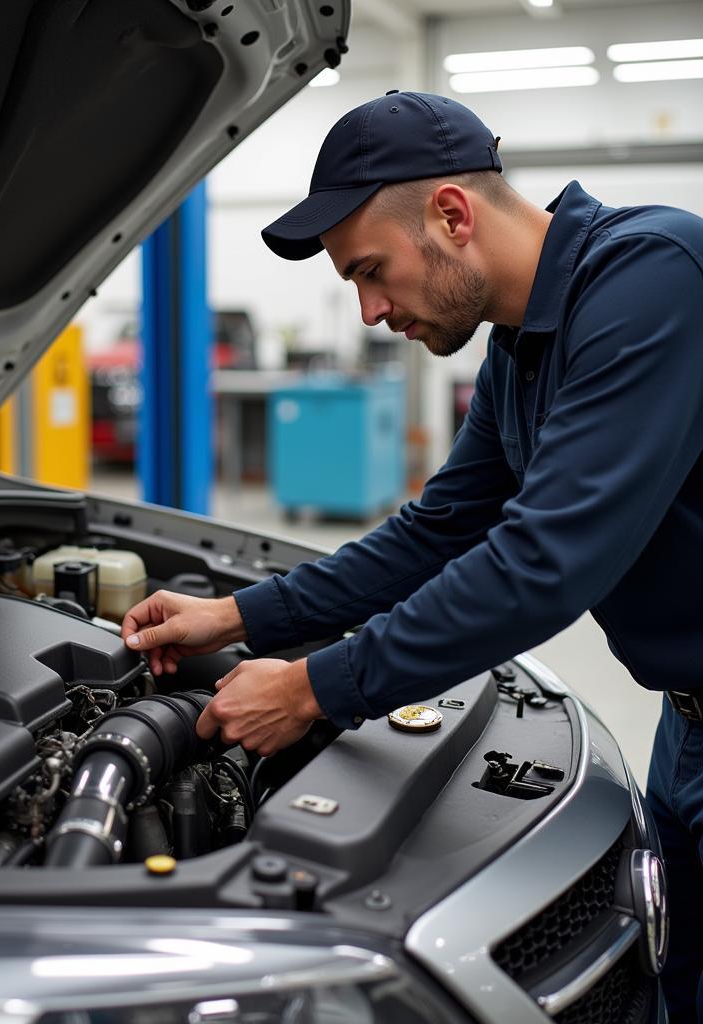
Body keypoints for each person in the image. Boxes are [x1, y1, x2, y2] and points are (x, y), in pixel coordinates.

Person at [120, 89, 703, 1020]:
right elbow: (434, 533)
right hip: (684, 730)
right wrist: (237, 617)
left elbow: (546, 561)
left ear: (451, 215)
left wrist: (315, 687)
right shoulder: (519, 352)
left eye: (371, 270)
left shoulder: (653, 278)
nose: (369, 310)